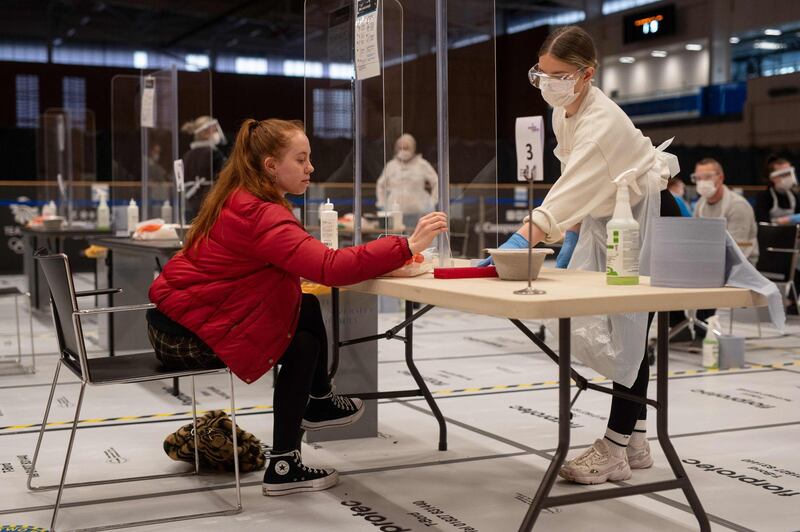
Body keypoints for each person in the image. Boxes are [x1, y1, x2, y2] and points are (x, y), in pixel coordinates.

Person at [147, 118, 447, 496]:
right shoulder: (261, 213)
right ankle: (301, 433)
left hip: (175, 323)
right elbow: (330, 268)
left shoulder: (242, 197)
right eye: (301, 159)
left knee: (303, 309)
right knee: (302, 332)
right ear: (271, 166)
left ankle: (302, 432)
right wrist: (407, 245)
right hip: (184, 337)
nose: (310, 168)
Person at [487, 25, 682, 485]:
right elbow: (579, 189)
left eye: (557, 74)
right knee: (620, 329)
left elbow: (561, 198)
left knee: (628, 330)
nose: (547, 82)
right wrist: (569, 232)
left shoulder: (601, 123)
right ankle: (634, 437)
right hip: (608, 217)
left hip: (644, 217)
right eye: (541, 73)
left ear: (586, 73)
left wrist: (516, 247)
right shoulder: (563, 111)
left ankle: (613, 448)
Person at [692, 157, 758, 263]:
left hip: (740, 266)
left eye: (708, 177)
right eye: (698, 178)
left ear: (721, 178)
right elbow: (694, 239)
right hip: (709, 262)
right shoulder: (700, 204)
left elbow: (737, 249)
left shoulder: (737, 205)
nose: (702, 182)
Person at [375, 133, 439, 229]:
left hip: (418, 212)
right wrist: (382, 203)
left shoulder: (422, 164)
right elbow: (380, 185)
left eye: (406, 148)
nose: (403, 151)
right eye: (401, 148)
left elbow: (436, 182)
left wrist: (432, 202)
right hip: (395, 212)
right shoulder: (391, 165)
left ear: (413, 148)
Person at [180, 116, 228, 222]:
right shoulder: (213, 154)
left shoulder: (187, 155)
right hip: (209, 203)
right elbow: (225, 178)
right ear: (204, 132)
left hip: (190, 205)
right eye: (214, 129)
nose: (217, 132)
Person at [754, 155, 800, 225]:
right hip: (771, 234)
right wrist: (780, 221)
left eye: (789, 174)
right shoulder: (764, 197)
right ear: (772, 177)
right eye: (783, 174)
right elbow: (761, 223)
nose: (788, 178)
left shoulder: (794, 196)